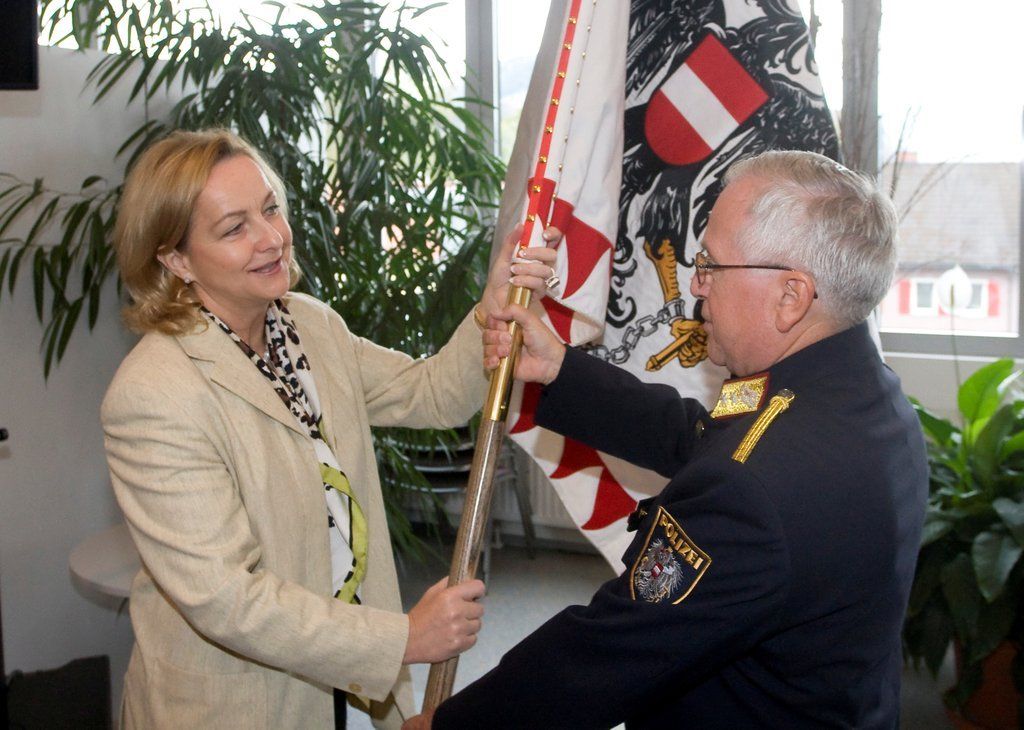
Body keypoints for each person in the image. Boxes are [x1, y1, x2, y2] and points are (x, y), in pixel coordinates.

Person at [406, 150, 928, 728]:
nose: (695, 285)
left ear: (791, 296)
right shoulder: (863, 394)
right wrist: (560, 370)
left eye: (711, 265)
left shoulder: (756, 489)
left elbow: (604, 655)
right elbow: (707, 440)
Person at [100, 128, 557, 729]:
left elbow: (431, 393)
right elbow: (227, 597)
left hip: (330, 675)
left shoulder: (308, 326)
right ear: (175, 259)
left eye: (270, 209)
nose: (271, 238)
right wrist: (403, 638)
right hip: (235, 705)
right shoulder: (153, 394)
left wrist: (492, 307)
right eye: (234, 228)